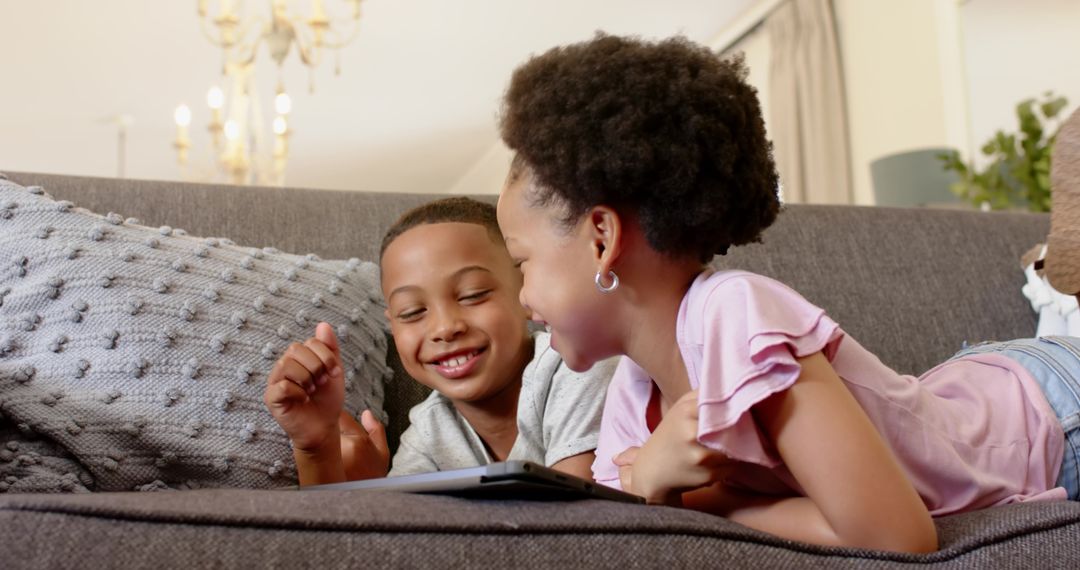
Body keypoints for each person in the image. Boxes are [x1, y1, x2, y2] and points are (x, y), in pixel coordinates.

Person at [494, 33, 1080, 554]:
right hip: (973, 387)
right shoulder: (631, 394)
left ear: (601, 239)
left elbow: (897, 538)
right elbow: (626, 523)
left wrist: (694, 499)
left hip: (1049, 410)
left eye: (522, 263)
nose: (521, 298)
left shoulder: (735, 313)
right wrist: (659, 487)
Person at [264, 197, 614, 487]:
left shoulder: (578, 367)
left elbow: (577, 526)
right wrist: (318, 451)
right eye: (412, 312)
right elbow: (357, 540)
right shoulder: (429, 431)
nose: (445, 328)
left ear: (526, 290)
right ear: (392, 326)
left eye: (473, 295)